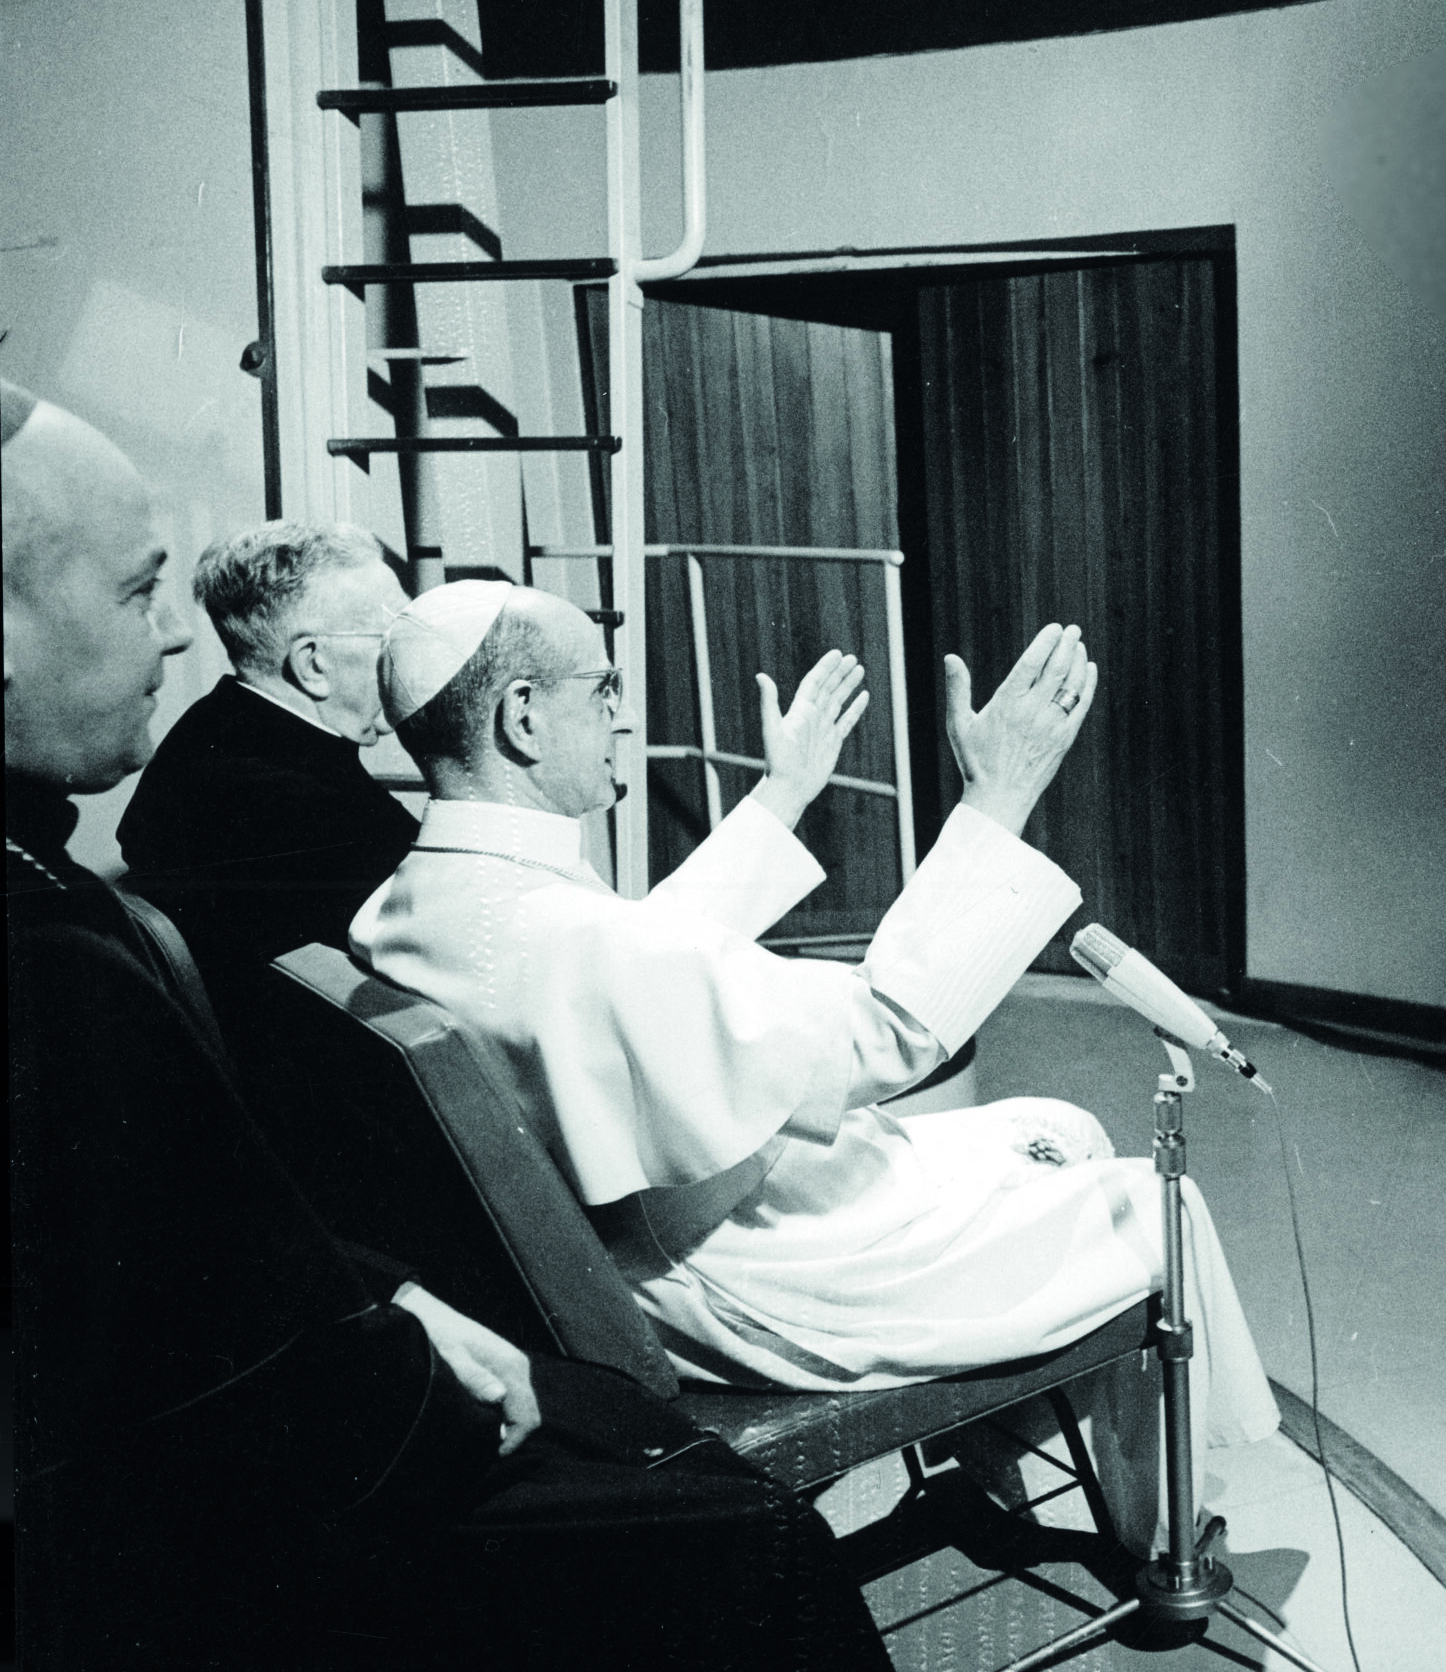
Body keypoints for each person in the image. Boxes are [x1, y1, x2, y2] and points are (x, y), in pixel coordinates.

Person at [3, 379, 930, 1672]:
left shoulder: (181, 817)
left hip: (337, 1302)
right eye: (140, 591)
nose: (175, 630)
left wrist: (383, 1299)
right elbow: (610, 980)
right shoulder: (124, 909)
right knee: (746, 1533)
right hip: (250, 1498)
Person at [347, 580, 1279, 1544]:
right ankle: (1167, 1546)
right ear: (523, 716)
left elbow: (643, 958)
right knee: (1153, 1207)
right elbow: (885, 1032)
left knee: (1062, 1127)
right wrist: (1000, 794)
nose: (622, 715)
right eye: (604, 687)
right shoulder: (568, 934)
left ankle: (997, 1442)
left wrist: (783, 790)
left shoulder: (420, 899)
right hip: (747, 1278)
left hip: (666, 1245)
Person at [117, 520, 420, 1044]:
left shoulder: (206, 732)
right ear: (313, 664)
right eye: (395, 638)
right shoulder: (307, 813)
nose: (408, 659)